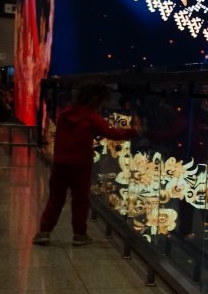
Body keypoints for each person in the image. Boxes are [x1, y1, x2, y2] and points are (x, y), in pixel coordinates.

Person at [33, 82, 138, 246]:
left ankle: (44, 232)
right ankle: (79, 234)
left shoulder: (65, 114)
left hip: (61, 163)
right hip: (81, 165)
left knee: (55, 199)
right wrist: (134, 130)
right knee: (80, 200)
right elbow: (112, 133)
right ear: (96, 100)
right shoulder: (91, 117)